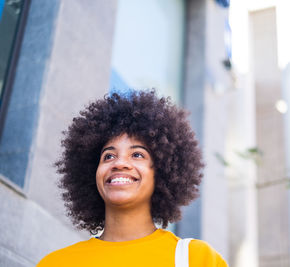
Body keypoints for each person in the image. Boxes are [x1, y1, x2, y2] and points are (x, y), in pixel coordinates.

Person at [37, 90, 228, 267]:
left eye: (137, 155)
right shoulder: (55, 263)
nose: (119, 163)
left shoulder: (197, 258)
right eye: (108, 156)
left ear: (162, 171)